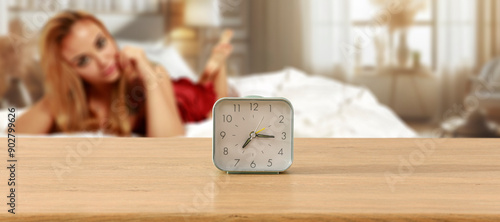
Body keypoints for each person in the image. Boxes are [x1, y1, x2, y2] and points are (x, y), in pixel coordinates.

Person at [12, 11, 233, 137]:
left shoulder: (153, 74)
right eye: (83, 60)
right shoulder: (73, 104)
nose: (102, 61)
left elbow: (169, 145)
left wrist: (147, 74)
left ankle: (217, 64)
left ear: (109, 36)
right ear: (71, 71)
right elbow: (13, 137)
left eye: (100, 43)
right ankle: (210, 70)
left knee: (216, 102)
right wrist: (57, 95)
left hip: (184, 100)